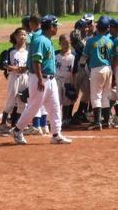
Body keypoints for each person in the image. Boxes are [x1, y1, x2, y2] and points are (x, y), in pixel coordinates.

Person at [9, 15, 72, 145]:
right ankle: (17, 130)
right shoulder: (40, 40)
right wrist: (39, 79)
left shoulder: (46, 40)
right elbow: (36, 61)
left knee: (55, 107)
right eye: (56, 26)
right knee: (33, 108)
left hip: (50, 79)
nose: (56, 29)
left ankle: (56, 134)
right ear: (51, 27)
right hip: (40, 79)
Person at [81, 15, 114, 130]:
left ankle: (96, 122)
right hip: (108, 68)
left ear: (97, 27)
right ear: (107, 29)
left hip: (96, 69)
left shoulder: (91, 41)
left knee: (96, 96)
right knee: (105, 95)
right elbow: (113, 57)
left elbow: (84, 57)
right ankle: (106, 121)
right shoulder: (110, 41)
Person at [0, 28, 28, 133]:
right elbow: (5, 65)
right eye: (20, 35)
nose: (23, 37)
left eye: (24, 35)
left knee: (23, 100)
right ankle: (2, 123)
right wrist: (16, 68)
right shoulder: (11, 51)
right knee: (11, 100)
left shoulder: (28, 51)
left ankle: (19, 125)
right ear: (15, 36)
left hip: (25, 77)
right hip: (14, 77)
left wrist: (25, 68)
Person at [55, 33, 76, 127]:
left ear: (70, 43)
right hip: (57, 79)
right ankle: (57, 119)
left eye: (67, 43)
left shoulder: (74, 55)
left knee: (67, 100)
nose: (65, 46)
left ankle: (65, 119)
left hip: (68, 79)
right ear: (59, 43)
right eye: (63, 43)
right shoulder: (56, 54)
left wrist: (73, 82)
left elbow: (74, 70)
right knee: (57, 99)